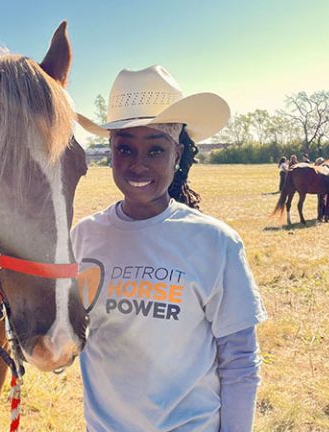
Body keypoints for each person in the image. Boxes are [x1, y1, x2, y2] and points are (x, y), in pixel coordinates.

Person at [75, 65, 267, 432]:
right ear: (110, 151)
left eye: (155, 150)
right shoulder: (83, 238)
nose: (138, 164)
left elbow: (240, 360)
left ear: (178, 155)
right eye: (125, 148)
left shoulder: (216, 243)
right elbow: (67, 340)